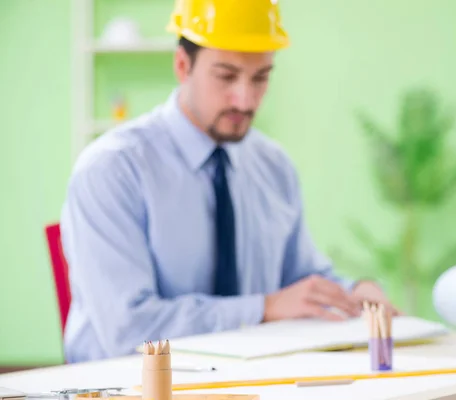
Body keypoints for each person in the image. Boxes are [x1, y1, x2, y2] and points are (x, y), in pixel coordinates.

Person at [60, 0, 398, 363]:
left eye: (261, 77)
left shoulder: (274, 166)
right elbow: (130, 330)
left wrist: (353, 291)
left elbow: (299, 277)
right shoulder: (112, 169)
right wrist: (263, 308)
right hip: (125, 383)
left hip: (246, 378)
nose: (246, 98)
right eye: (226, 76)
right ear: (182, 65)